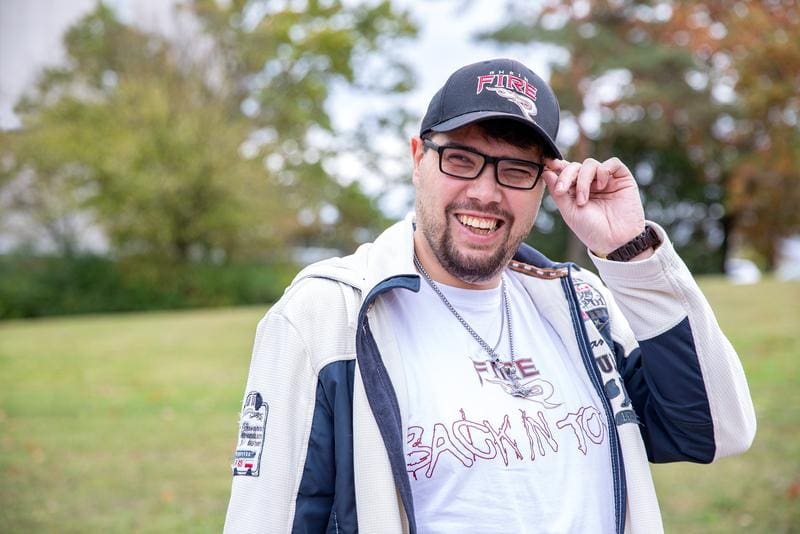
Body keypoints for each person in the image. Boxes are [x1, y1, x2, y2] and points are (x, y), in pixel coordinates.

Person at [223, 58, 756, 534]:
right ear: (417, 158)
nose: (485, 191)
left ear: (545, 184)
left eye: (516, 170)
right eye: (460, 158)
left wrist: (632, 256)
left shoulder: (581, 305)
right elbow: (269, 518)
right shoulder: (327, 314)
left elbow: (715, 430)